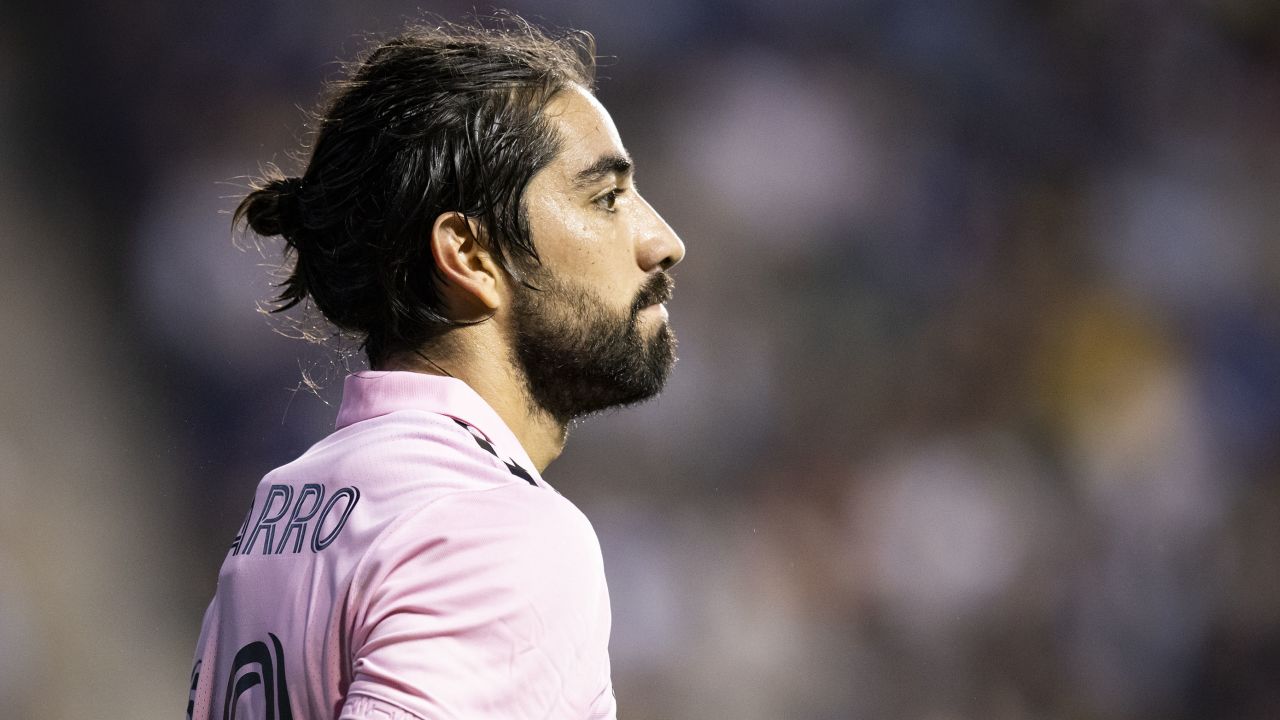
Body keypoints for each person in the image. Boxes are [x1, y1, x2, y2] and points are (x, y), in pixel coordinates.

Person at [186, 15, 685, 720]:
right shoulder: (492, 528)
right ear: (471, 256)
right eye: (606, 198)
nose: (664, 242)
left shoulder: (284, 507)